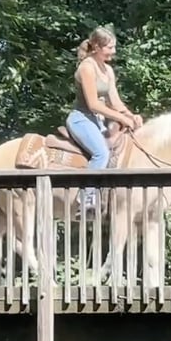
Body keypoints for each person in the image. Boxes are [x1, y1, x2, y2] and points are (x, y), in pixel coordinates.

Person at [65, 27, 143, 213]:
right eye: (109, 47)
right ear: (97, 47)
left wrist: (131, 115)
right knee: (101, 153)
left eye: (114, 47)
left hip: (97, 121)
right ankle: (86, 201)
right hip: (81, 119)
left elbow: (114, 101)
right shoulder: (86, 67)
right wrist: (120, 117)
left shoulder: (108, 70)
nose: (113, 51)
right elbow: (93, 104)